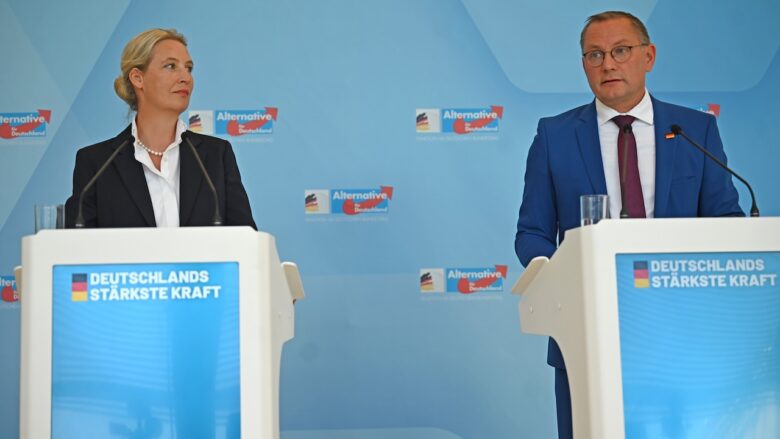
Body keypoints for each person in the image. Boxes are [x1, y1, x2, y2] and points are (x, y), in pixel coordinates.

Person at [514, 11, 743, 439]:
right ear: (584, 64)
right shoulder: (554, 136)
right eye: (595, 55)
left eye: (621, 51)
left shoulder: (695, 130)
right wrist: (556, 278)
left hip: (683, 332)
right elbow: (532, 233)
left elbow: (727, 221)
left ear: (648, 56)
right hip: (586, 331)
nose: (608, 64)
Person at [65, 29, 256, 229]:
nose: (186, 77)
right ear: (138, 78)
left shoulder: (217, 156)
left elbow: (246, 238)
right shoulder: (96, 163)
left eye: (189, 68)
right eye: (171, 66)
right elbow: (76, 243)